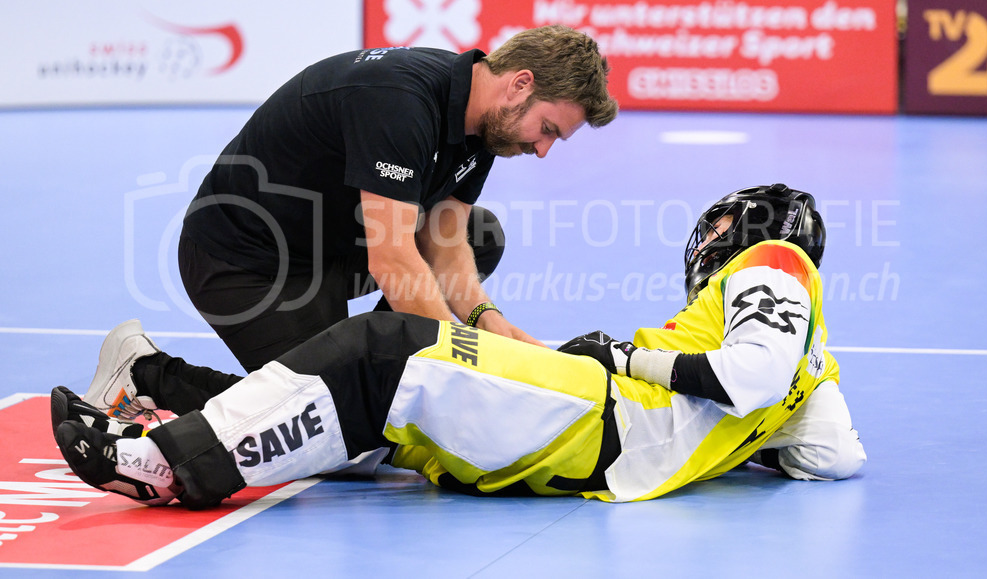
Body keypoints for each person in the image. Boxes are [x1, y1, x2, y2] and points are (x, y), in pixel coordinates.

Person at [53, 184, 865, 507]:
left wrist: (622, 356)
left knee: (385, 348)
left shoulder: (776, 262)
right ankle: (150, 375)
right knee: (363, 418)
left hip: (601, 412)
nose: (713, 238)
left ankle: (170, 462)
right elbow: (835, 454)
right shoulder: (814, 367)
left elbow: (748, 372)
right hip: (598, 448)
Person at [90, 25, 618, 425]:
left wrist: (487, 321)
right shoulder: (401, 103)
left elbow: (446, 238)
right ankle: (144, 373)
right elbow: (392, 258)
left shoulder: (484, 127)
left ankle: (395, 374)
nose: (543, 150)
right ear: (519, 84)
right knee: (336, 420)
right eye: (548, 129)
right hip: (244, 262)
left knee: (482, 235)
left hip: (329, 251)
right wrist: (466, 364)